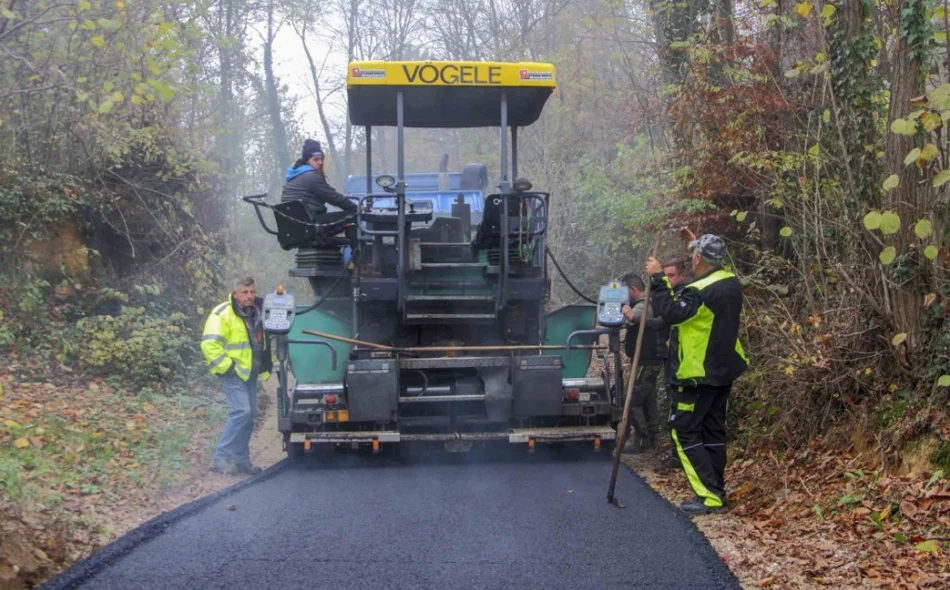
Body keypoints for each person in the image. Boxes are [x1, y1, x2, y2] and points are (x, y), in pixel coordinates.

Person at [645, 233, 748, 516]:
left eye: (694, 255)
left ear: (699, 259)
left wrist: (657, 279)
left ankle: (709, 496)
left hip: (696, 373)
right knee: (713, 431)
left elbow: (670, 312)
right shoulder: (730, 282)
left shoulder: (699, 290)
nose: (691, 259)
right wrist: (695, 239)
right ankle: (717, 490)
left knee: (684, 431)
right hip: (722, 370)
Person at [201, 277, 272, 476]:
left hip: (249, 373)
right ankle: (220, 459)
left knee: (249, 416)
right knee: (242, 411)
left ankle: (242, 461)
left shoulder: (256, 312)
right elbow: (209, 345)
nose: (249, 296)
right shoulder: (223, 314)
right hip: (233, 373)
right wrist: (229, 368)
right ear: (235, 294)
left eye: (252, 291)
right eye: (245, 292)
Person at [619, 273, 667, 454]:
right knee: (648, 399)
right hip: (647, 360)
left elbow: (632, 320)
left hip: (647, 361)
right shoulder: (646, 303)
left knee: (631, 398)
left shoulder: (642, 306)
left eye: (624, 290)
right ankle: (652, 439)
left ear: (632, 289)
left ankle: (643, 439)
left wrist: (627, 315)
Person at [656, 257, 690, 471]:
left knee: (679, 414)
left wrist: (637, 319)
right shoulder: (671, 295)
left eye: (671, 276)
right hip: (672, 362)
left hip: (684, 366)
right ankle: (677, 455)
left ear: (682, 276)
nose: (668, 280)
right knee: (674, 410)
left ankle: (680, 457)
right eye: (665, 276)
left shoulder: (685, 297)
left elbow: (665, 319)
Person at [281, 139, 358, 218]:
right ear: (307, 161)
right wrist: (357, 208)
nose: (320, 162)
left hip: (297, 222)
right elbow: (333, 197)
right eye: (316, 159)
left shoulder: (295, 175)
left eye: (321, 159)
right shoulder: (311, 176)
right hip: (309, 222)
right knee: (350, 217)